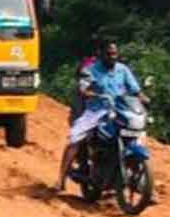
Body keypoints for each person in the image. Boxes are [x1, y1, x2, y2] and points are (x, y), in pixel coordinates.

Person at [56, 38, 149, 191]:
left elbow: (135, 90)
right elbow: (83, 89)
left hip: (121, 110)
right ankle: (60, 179)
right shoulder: (90, 70)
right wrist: (90, 94)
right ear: (101, 54)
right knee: (75, 139)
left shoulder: (123, 69)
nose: (113, 56)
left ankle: (144, 185)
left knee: (137, 136)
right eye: (109, 54)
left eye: (115, 53)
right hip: (96, 111)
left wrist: (144, 98)